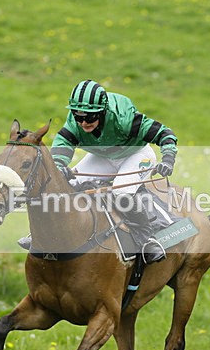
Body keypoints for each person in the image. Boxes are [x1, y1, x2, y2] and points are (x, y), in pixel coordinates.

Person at [48, 79, 177, 263]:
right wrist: (59, 166)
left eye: (90, 117)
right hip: (103, 156)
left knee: (121, 192)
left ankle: (147, 240)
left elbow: (165, 134)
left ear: (102, 111)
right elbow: (61, 148)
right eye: (79, 117)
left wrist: (168, 159)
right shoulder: (74, 123)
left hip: (137, 154)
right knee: (67, 185)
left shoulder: (124, 119)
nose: (84, 122)